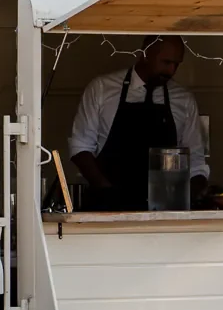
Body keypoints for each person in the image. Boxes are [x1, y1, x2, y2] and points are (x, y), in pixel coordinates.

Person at [68, 36, 209, 210]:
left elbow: (195, 161)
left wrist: (190, 194)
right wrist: (106, 191)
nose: (171, 70)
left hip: (165, 211)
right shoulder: (102, 89)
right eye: (166, 62)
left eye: (176, 64)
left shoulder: (184, 100)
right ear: (145, 53)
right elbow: (80, 148)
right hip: (108, 208)